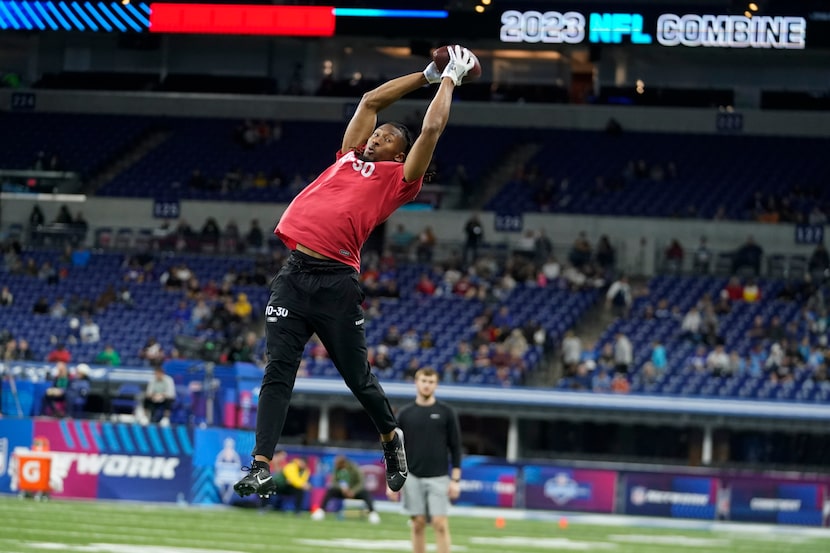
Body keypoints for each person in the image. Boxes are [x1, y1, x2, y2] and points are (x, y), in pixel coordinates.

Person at [234, 45, 479, 498]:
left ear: (399, 154)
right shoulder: (348, 156)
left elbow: (431, 127)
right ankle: (261, 464)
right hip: (293, 275)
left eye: (386, 138)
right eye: (377, 135)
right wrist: (426, 73)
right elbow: (370, 101)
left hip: (336, 284)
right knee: (278, 372)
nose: (376, 138)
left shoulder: (401, 180)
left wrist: (451, 80)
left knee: (357, 378)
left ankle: (391, 438)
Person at [387, 368, 462, 553]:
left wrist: (455, 480)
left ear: (436, 384)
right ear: (416, 382)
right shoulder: (405, 414)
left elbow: (456, 447)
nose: (427, 385)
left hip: (439, 476)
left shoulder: (446, 412)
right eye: (423, 381)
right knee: (417, 524)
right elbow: (395, 448)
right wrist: (392, 480)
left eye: (431, 382)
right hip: (412, 476)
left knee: (440, 523)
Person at [311, 455, 381, 524]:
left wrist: (353, 491)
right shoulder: (336, 468)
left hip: (354, 491)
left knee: (366, 494)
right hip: (342, 491)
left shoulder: (354, 468)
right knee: (330, 491)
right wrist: (342, 488)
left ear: (344, 463)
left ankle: (373, 514)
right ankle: (321, 511)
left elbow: (361, 482)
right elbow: (334, 482)